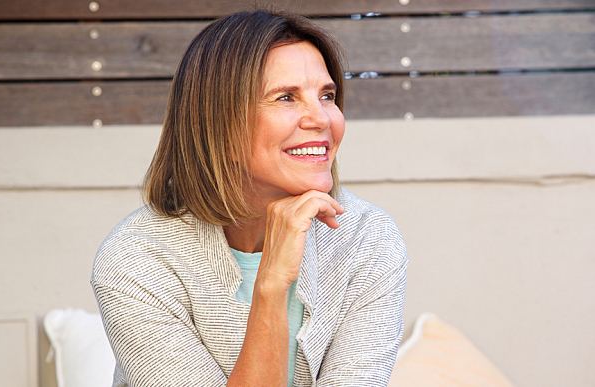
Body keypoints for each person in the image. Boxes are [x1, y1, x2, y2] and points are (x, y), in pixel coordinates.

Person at [92, 9, 408, 387]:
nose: (322, 118)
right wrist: (272, 284)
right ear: (219, 125)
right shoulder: (136, 261)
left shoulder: (366, 239)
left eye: (327, 95)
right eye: (286, 97)